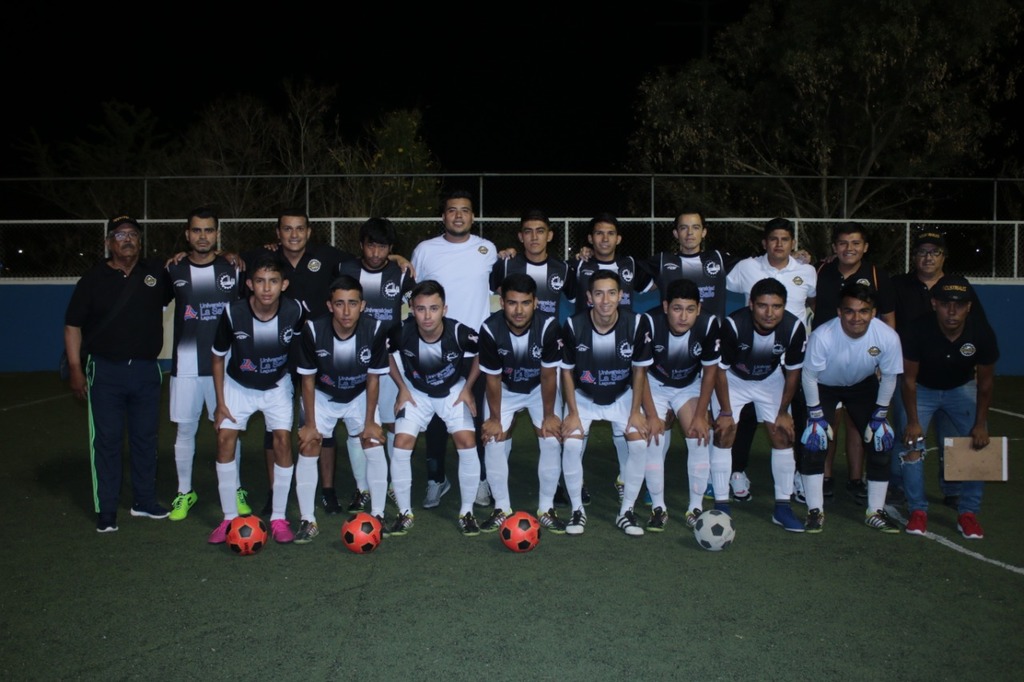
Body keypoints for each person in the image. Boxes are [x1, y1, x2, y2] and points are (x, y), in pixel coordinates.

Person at [64, 214, 173, 532]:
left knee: (145, 438)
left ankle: (144, 501)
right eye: (120, 234)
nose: (128, 240)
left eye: (133, 234)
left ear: (140, 241)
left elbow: (185, 278)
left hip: (146, 371)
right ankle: (107, 509)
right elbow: (72, 326)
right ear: (109, 242)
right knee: (107, 441)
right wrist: (75, 368)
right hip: (105, 371)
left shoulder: (156, 273)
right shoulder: (93, 279)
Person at [207, 256, 305, 545]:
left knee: (283, 442)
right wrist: (220, 402)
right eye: (260, 281)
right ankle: (228, 518)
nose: (266, 288)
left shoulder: (295, 310)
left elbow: (301, 350)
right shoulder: (233, 312)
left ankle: (278, 518)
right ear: (249, 283)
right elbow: (217, 357)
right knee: (225, 439)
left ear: (284, 284)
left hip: (277, 386)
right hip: (238, 385)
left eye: (273, 281)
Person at [410, 190, 497, 510]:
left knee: (476, 417)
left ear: (473, 216)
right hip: (435, 349)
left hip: (476, 352)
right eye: (452, 210)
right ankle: (436, 479)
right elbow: (412, 289)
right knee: (436, 419)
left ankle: (480, 479)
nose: (458, 216)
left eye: (465, 210)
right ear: (443, 216)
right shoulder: (425, 250)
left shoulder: (488, 250)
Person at [889, 230, 988, 507]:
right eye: (922, 252)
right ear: (914, 256)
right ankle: (898, 485)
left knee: (956, 437)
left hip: (957, 378)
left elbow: (978, 325)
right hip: (912, 376)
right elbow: (887, 323)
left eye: (934, 252)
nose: (928, 257)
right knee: (907, 432)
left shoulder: (959, 286)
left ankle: (954, 489)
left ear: (944, 256)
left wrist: (977, 362)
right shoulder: (898, 285)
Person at [324, 218, 415, 515]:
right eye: (371, 245)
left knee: (391, 423)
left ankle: (391, 485)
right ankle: (362, 488)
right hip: (350, 360)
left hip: (388, 361)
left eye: (383, 247)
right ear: (361, 245)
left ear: (391, 248)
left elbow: (418, 308)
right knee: (358, 428)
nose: (376, 253)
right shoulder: (344, 268)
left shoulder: (401, 273)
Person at [165, 207, 250, 521]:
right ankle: (184, 491)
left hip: (225, 366)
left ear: (217, 234)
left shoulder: (234, 268)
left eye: (209, 230)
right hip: (187, 365)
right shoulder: (173, 269)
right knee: (185, 429)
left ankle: (235, 488)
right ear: (187, 234)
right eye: (197, 230)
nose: (203, 236)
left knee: (228, 430)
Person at [798, 283, 904, 533]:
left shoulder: (887, 336)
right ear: (839, 312)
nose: (857, 318)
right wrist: (815, 415)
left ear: (873, 312)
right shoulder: (823, 335)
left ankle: (875, 511)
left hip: (862, 386)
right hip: (824, 386)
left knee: (881, 441)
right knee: (814, 442)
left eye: (864, 311)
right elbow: (809, 376)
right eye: (850, 311)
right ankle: (815, 511)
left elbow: (890, 376)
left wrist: (880, 413)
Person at [293, 275, 391, 543]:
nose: (346, 311)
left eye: (352, 303)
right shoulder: (313, 330)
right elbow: (307, 380)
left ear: (363, 305)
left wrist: (370, 422)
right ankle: (307, 519)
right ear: (329, 305)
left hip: (358, 395)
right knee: (309, 445)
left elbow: (373, 378)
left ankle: (378, 515)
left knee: (373, 441)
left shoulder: (375, 328)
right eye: (339, 304)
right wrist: (310, 424)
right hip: (322, 396)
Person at [725, 217, 816, 505]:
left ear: (793, 243)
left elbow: (813, 301)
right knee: (745, 418)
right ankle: (736, 471)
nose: (779, 244)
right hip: (749, 355)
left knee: (794, 418)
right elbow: (717, 282)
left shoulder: (807, 270)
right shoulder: (747, 267)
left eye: (785, 239)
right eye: (773, 239)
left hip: (790, 357)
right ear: (764, 243)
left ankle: (798, 475)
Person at [899, 275, 999, 539]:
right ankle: (917, 510)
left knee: (978, 446)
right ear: (934, 304)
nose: (952, 311)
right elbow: (908, 380)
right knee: (912, 445)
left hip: (960, 388)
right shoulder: (917, 329)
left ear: (969, 307)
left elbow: (986, 384)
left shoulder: (981, 332)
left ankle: (968, 513)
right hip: (922, 388)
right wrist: (913, 421)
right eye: (945, 304)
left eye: (959, 305)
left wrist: (980, 424)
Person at [559, 270, 654, 537]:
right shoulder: (574, 325)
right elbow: (566, 371)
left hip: (622, 396)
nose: (605, 300)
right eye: (599, 293)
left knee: (638, 444)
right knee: (572, 443)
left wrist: (636, 412)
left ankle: (626, 512)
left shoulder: (636, 323)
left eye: (611, 293)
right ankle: (577, 510)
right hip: (584, 397)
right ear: (589, 297)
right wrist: (572, 413)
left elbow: (639, 370)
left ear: (621, 295)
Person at [387, 280, 483, 536]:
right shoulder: (401, 332)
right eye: (421, 309)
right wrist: (401, 387)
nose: (427, 316)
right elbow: (385, 354)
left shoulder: (460, 332)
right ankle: (404, 512)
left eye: (434, 308)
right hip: (416, 393)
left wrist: (468, 387)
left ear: (444, 309)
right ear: (412, 309)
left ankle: (467, 512)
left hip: (452, 393)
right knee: (401, 445)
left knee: (467, 442)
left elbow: (482, 353)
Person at [712, 278, 807, 532]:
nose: (769, 313)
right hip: (733, 379)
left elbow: (793, 373)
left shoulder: (794, 327)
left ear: (784, 306)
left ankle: (782, 508)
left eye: (777, 306)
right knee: (724, 432)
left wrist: (783, 412)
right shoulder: (734, 325)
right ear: (751, 304)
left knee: (783, 434)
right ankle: (721, 504)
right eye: (763, 305)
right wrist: (726, 412)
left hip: (769, 379)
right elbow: (719, 371)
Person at [573, 213, 656, 505]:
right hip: (587, 351)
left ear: (618, 238)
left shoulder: (630, 265)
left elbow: (655, 285)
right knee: (577, 428)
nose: (604, 238)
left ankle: (625, 478)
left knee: (625, 427)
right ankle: (575, 482)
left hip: (622, 350)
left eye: (610, 233)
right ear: (590, 238)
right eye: (599, 233)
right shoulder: (579, 265)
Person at [813, 222, 896, 501]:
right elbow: (811, 303)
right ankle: (826, 477)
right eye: (843, 243)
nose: (849, 248)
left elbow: (888, 318)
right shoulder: (821, 270)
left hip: (863, 361)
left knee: (858, 424)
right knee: (829, 422)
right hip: (827, 361)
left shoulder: (876, 275)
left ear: (865, 247)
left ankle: (856, 479)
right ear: (834, 247)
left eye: (856, 243)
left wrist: (882, 360)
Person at [478, 273, 567, 533]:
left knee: (551, 438)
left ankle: (547, 508)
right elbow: (492, 379)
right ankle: (501, 508)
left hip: (539, 388)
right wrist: (495, 420)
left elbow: (549, 375)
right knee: (493, 439)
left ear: (535, 302)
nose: (519, 311)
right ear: (501, 303)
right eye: (512, 303)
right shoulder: (490, 329)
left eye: (525, 303)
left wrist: (549, 416)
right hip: (505, 389)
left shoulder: (549, 326)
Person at [643, 278, 722, 530]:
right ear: (666, 306)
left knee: (699, 434)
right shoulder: (649, 322)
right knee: (654, 437)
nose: (683, 317)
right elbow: (640, 372)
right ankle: (658, 507)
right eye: (677, 308)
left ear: (699, 308)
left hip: (688, 385)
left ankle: (695, 507)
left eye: (690, 309)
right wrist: (652, 415)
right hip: (654, 384)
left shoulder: (709, 324)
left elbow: (710, 372)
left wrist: (700, 415)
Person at [489, 209, 576, 319]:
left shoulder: (563, 269)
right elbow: (485, 293)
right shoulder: (506, 265)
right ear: (521, 237)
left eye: (540, 231)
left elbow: (578, 301)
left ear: (549, 235)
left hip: (549, 330)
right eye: (528, 232)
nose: (534, 237)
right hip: (512, 330)